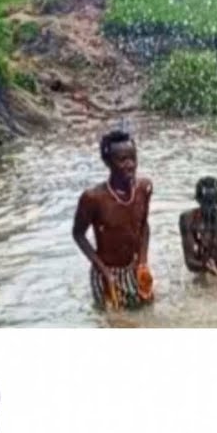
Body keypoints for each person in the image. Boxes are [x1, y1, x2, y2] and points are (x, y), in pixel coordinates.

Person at [72, 130, 154, 310]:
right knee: (113, 320)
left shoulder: (144, 188)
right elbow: (78, 234)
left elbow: (144, 226)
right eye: (122, 160)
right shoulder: (93, 198)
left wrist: (142, 262)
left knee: (149, 312)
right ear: (107, 162)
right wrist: (104, 272)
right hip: (106, 271)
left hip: (134, 267)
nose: (130, 165)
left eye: (133, 158)